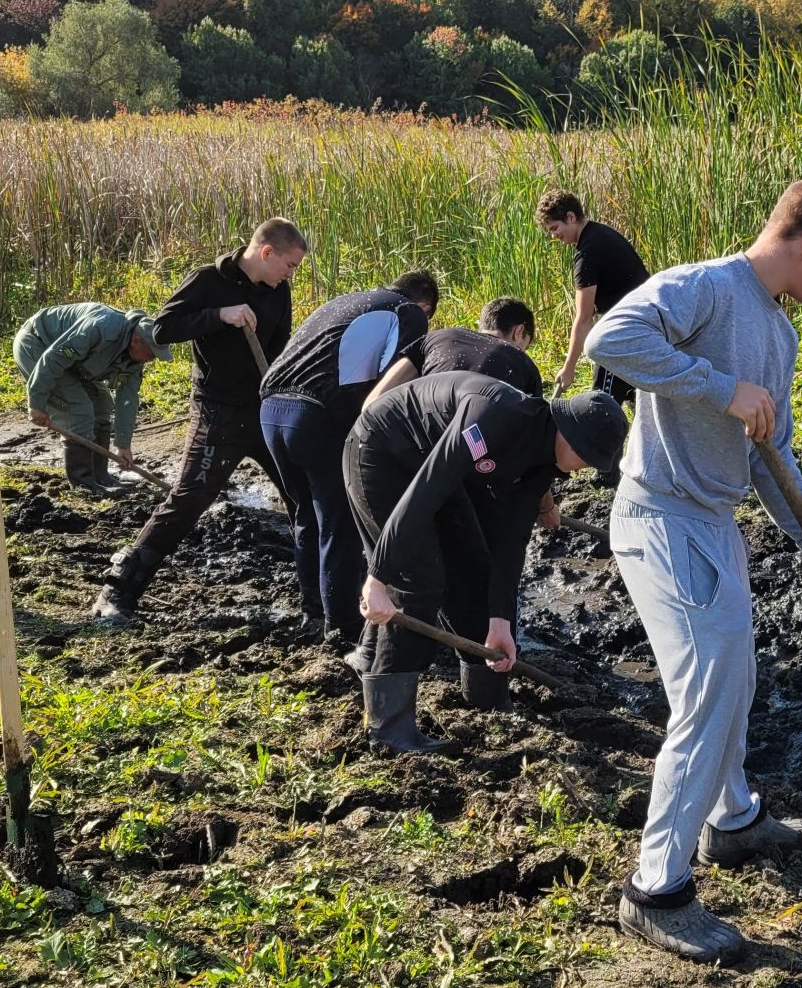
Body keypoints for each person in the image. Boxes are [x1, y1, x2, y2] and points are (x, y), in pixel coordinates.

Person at [585, 177, 802, 965]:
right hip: (660, 515)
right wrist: (719, 388)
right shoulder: (704, 287)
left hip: (713, 524)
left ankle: (733, 821)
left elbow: (770, 459)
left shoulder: (779, 337)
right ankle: (656, 891)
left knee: (733, 677)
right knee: (709, 684)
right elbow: (612, 340)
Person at [345, 375, 627, 751]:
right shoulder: (495, 415)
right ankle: (389, 728)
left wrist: (501, 623)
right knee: (418, 581)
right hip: (382, 451)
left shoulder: (543, 463)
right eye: (586, 458)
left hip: (437, 470)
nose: (584, 469)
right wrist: (379, 577)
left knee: (474, 569)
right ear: (568, 435)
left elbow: (510, 544)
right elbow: (427, 488)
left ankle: (487, 697)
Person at [91, 218, 308, 626]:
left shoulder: (280, 292)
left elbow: (279, 348)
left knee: (304, 496)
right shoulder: (209, 281)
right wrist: (219, 315)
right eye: (290, 265)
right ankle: (118, 592)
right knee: (188, 500)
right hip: (218, 414)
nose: (289, 274)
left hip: (264, 410)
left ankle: (320, 600)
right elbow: (164, 328)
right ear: (266, 253)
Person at [257, 271, 439, 644]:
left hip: (271, 408)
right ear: (424, 305)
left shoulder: (347, 301)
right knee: (339, 522)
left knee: (306, 514)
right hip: (316, 415)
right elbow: (393, 384)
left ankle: (313, 608)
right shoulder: (409, 313)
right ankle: (341, 627)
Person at [14, 302, 170, 495]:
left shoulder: (136, 358)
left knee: (102, 404)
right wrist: (36, 404)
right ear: (136, 340)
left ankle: (100, 476)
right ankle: (83, 485)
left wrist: (123, 445)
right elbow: (53, 358)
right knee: (78, 408)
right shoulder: (101, 327)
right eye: (150, 354)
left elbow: (128, 399)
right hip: (37, 344)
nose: (151, 359)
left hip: (72, 363)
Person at [536, 190, 649, 404]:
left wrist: (569, 368)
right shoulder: (601, 234)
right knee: (639, 397)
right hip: (646, 324)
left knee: (602, 403)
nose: (554, 236)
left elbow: (584, 317)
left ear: (570, 217)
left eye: (554, 228)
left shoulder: (588, 252)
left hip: (628, 330)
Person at [364, 297, 542, 406]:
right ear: (519, 332)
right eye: (524, 346)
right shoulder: (523, 364)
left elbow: (375, 400)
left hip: (412, 434)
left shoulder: (438, 337)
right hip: (471, 452)